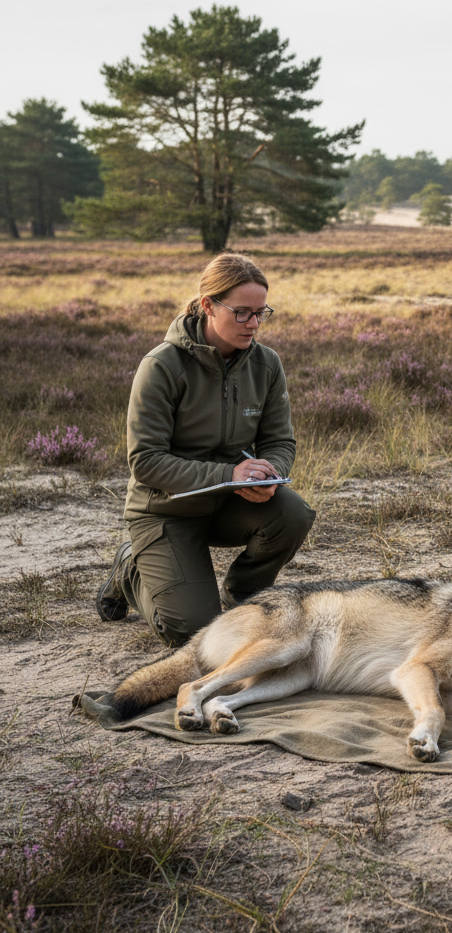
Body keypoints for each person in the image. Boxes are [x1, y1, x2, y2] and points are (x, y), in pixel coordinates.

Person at [95, 253, 315, 647]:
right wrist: (229, 475)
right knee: (192, 633)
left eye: (261, 313)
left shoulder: (266, 365)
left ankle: (244, 597)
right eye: (242, 313)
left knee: (293, 512)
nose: (254, 324)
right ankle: (130, 568)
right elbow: (146, 460)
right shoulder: (162, 366)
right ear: (208, 305)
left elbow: (279, 441)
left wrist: (270, 473)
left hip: (229, 503)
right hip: (166, 511)